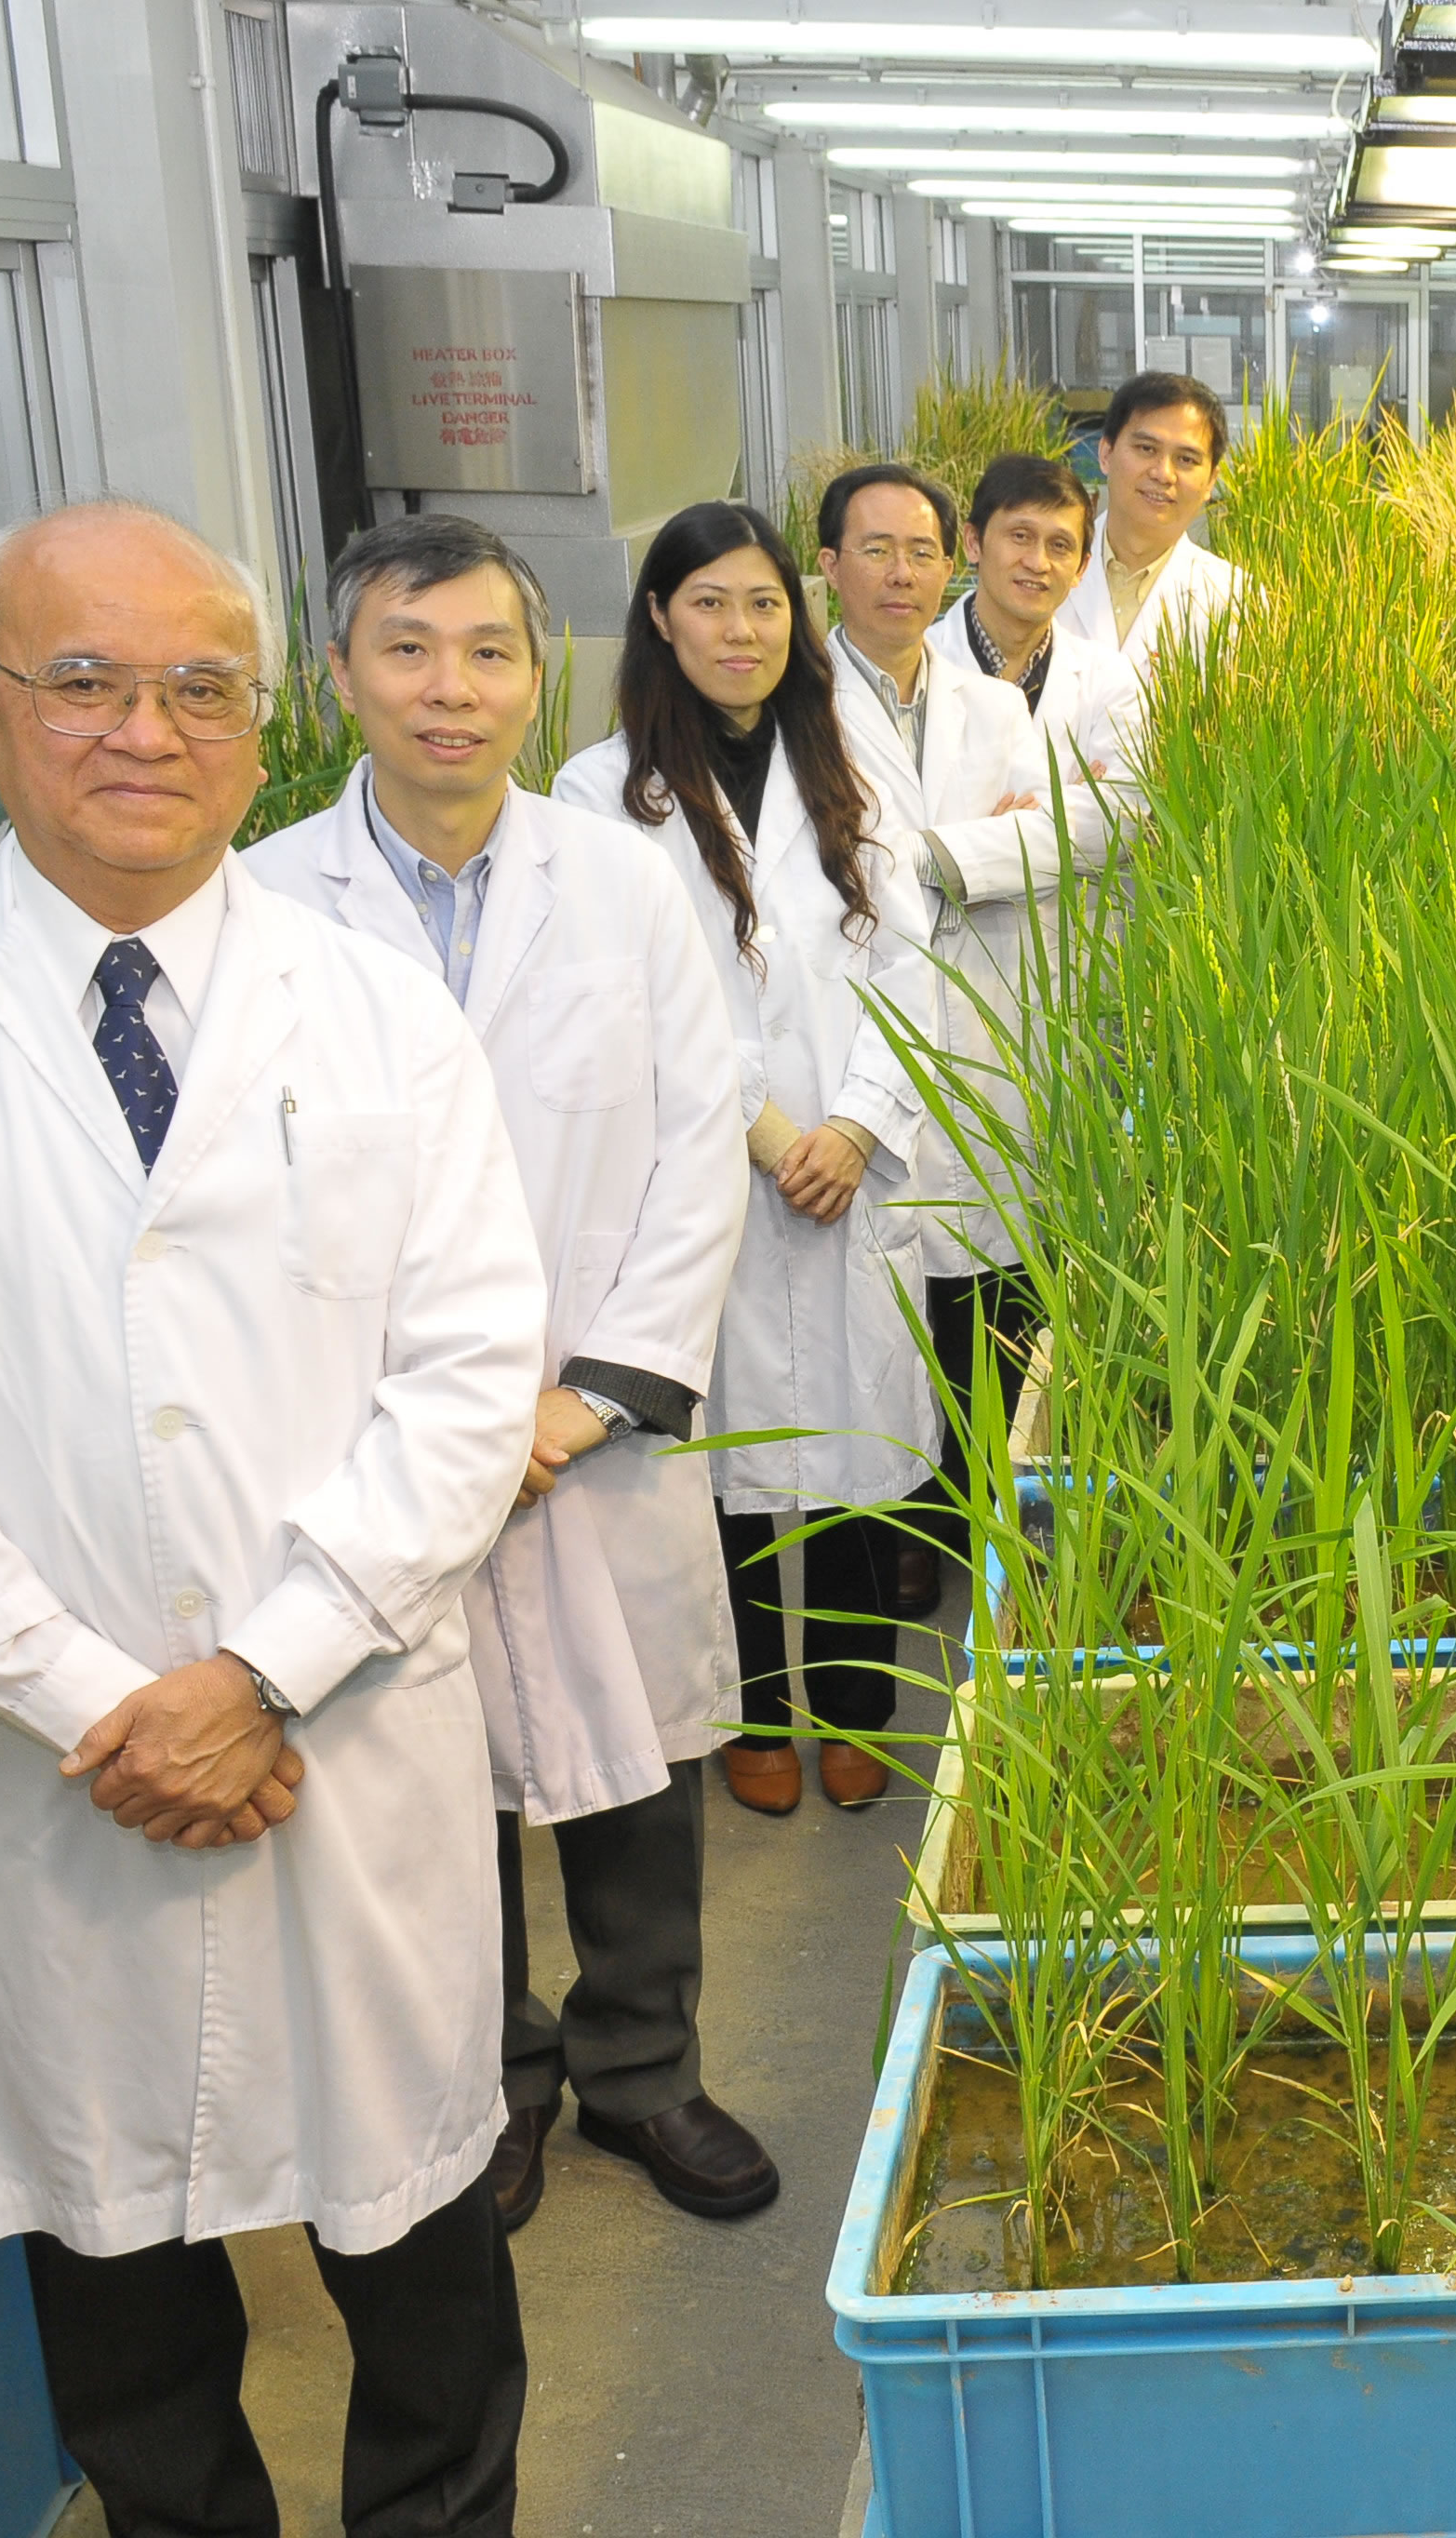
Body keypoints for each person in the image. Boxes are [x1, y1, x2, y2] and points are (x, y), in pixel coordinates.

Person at [0, 500, 575, 2538]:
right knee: (100, 2199)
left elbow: (474, 1372)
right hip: (39, 1754)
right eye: (80, 679)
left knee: (415, 2179)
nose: (140, 728)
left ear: (255, 725)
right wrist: (95, 1694)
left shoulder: (377, 1017)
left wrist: (261, 1667)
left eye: (197, 684)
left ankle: (441, 2525)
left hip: (336, 1716)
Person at [242, 514, 776, 2236]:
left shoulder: (620, 879)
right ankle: (492, 2082)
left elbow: (701, 1143)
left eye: (486, 652)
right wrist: (443, 1428)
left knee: (631, 1766)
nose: (449, 690)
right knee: (428, 1784)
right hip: (379, 1439)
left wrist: (590, 1394)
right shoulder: (259, 909)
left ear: (536, 679)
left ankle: (646, 2069)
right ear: (339, 679)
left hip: (590, 1430)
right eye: (408, 650)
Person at [554, 501, 941, 1820]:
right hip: (700, 1173)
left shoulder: (857, 765)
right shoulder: (596, 792)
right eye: (710, 602)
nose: (741, 629)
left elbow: (912, 964)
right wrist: (772, 1131)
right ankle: (749, 1711)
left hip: (851, 1160)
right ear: (660, 616)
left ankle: (853, 1701)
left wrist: (859, 1124)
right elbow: (633, 1004)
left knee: (846, 1451)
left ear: (799, 615)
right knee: (715, 1464)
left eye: (764, 603)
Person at [812, 457, 1111, 1614]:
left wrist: (945, 856)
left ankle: (973, 1512)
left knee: (990, 1292)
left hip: (1002, 1012)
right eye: (876, 550)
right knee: (887, 1312)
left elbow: (1092, 826)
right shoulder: (804, 698)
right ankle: (907, 1525)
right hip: (861, 1029)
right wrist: (967, 853)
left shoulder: (1002, 702)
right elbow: (823, 872)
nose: (902, 571)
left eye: (915, 551)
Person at [935, 450, 1143, 820]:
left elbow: (1122, 819)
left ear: (1081, 568)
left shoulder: (1112, 680)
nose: (1038, 562)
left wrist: (979, 829)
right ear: (973, 542)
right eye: (1020, 536)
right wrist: (1066, 805)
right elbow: (908, 834)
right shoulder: (920, 667)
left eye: (1060, 546)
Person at [1059, 368, 1245, 681]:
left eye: (1186, 459)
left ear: (1212, 480)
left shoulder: (1237, 601)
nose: (1164, 474)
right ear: (1106, 453)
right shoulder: (1044, 573)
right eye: (1147, 449)